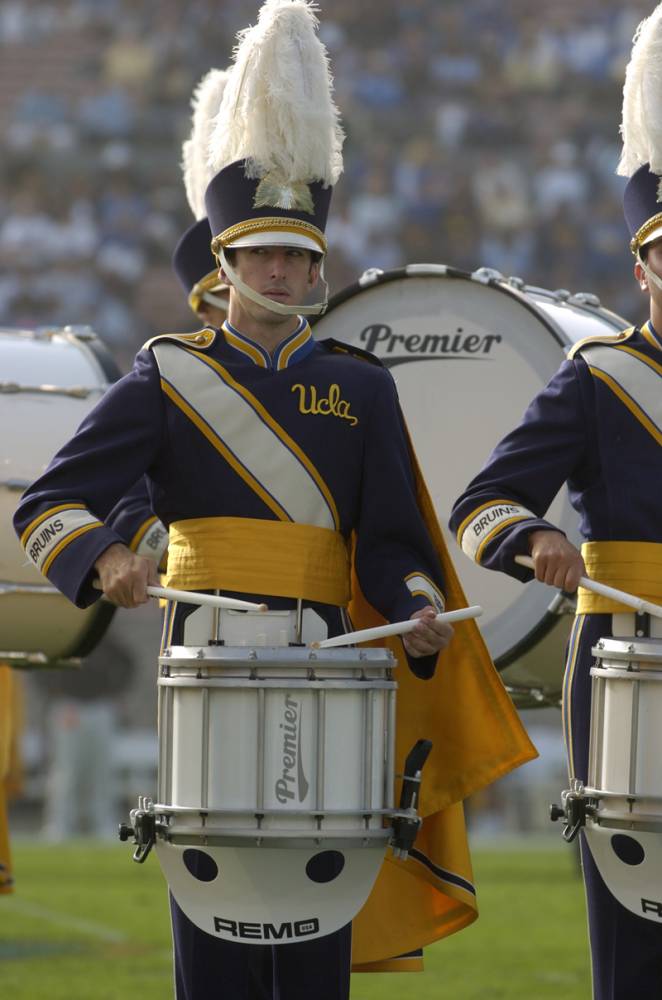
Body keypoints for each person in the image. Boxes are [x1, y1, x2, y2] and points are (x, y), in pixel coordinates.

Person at [13, 2, 534, 996]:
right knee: (215, 923)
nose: (281, 268)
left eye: (296, 254)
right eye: (261, 252)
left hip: (323, 658)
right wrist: (108, 560)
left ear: (315, 263)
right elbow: (48, 503)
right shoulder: (167, 373)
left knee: (310, 924)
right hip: (203, 651)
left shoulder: (362, 384)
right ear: (225, 262)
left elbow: (387, 544)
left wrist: (419, 601)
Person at [449, 8, 662, 996]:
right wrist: (531, 534)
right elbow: (482, 503)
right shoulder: (595, 376)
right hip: (625, 660)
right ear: (639, 265)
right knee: (636, 926)